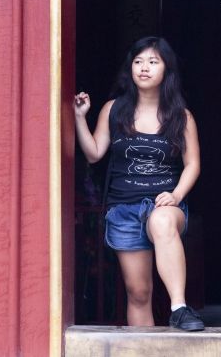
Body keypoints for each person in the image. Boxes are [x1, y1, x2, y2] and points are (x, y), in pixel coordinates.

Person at [74, 36, 204, 331]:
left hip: (165, 205)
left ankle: (179, 308)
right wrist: (80, 118)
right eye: (138, 61)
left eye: (153, 62)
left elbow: (192, 164)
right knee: (138, 293)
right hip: (124, 210)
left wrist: (176, 194)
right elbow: (94, 154)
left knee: (160, 221)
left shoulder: (181, 117)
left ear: (166, 71)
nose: (144, 68)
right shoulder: (113, 110)